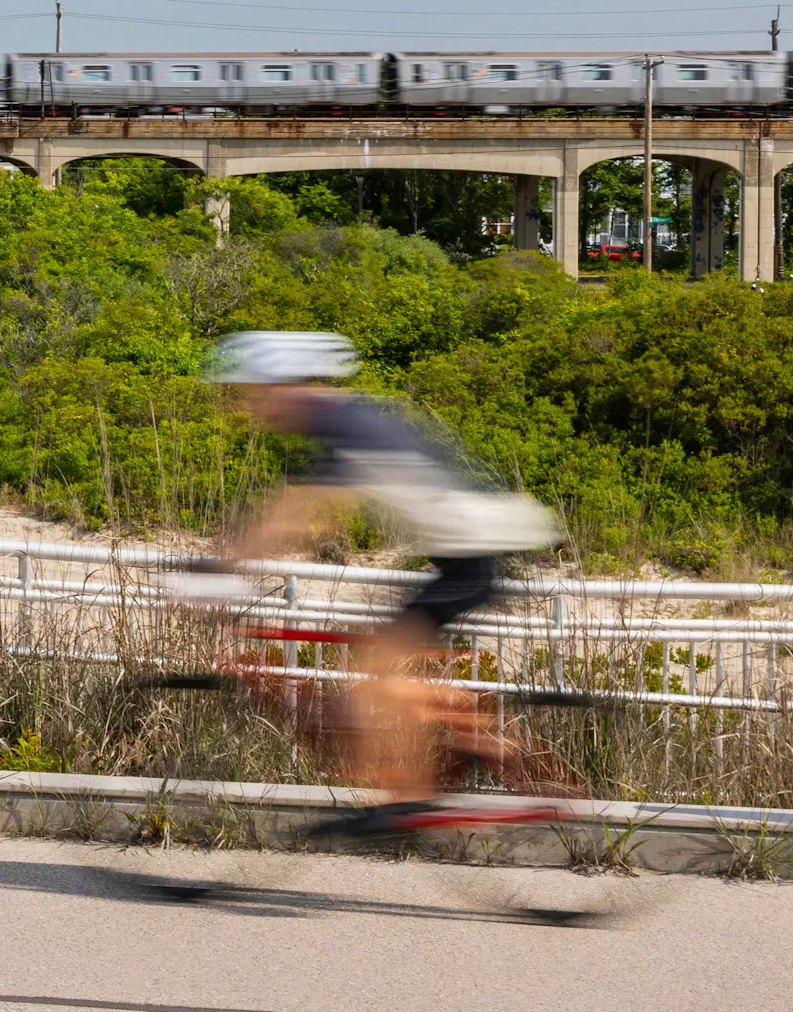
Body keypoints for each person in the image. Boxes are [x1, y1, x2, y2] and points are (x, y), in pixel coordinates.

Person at [195, 330, 560, 838]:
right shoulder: (347, 419)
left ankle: (414, 797)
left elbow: (299, 516)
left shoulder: (343, 424)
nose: (252, 404)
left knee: (379, 670)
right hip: (461, 556)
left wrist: (221, 566)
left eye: (256, 391)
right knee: (382, 667)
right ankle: (472, 744)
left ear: (286, 387)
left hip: (470, 559)